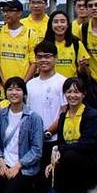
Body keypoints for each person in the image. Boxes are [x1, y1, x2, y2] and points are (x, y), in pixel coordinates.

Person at [46, 77, 97, 193]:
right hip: (68, 155)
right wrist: (52, 161)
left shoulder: (91, 115)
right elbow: (61, 140)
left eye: (76, 92)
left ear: (84, 94)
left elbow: (88, 144)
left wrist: (61, 149)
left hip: (89, 159)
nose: (72, 95)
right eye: (69, 92)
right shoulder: (63, 116)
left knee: (71, 155)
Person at [0, 77, 44, 193]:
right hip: (4, 162)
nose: (13, 93)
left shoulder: (34, 117)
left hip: (23, 165)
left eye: (18, 89)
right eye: (10, 89)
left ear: (24, 93)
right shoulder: (0, 114)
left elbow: (36, 150)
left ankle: (24, 187)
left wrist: (17, 166)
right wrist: (1, 163)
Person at [26, 41, 66, 180]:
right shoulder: (30, 84)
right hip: (33, 142)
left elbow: (64, 113)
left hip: (54, 139)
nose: (43, 60)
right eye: (39, 56)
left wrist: (48, 133)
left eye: (47, 56)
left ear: (56, 58)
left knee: (52, 178)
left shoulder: (62, 82)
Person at [0, 0, 37, 82]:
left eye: (10, 11)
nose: (6, 14)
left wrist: (23, 83)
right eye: (4, 11)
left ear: (20, 13)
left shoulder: (30, 34)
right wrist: (4, 83)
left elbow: (34, 62)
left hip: (24, 85)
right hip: (3, 85)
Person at [44, 10, 89, 79]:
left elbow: (83, 72)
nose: (59, 25)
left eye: (62, 22)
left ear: (68, 25)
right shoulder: (44, 45)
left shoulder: (76, 43)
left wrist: (83, 66)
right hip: (50, 83)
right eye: (55, 22)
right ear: (50, 25)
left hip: (71, 84)